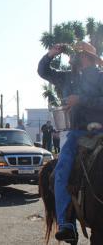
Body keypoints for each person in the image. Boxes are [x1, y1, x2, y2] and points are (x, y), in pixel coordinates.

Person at [38, 41, 103, 242]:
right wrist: (51, 54)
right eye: (74, 54)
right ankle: (67, 224)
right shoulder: (68, 78)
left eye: (79, 54)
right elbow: (43, 71)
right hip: (77, 133)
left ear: (88, 58)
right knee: (60, 171)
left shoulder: (101, 77)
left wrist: (81, 100)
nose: (75, 57)